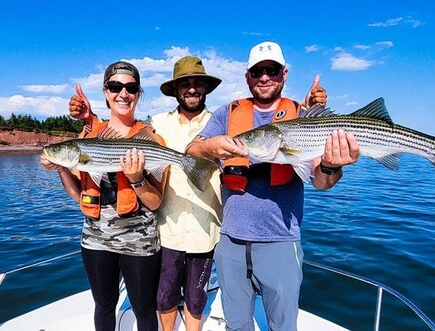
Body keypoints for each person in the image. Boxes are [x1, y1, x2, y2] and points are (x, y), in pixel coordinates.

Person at [68, 54, 327, 331]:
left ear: (206, 88)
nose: (191, 88)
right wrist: (90, 118)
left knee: (195, 301)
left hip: (207, 231)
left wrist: (310, 113)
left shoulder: (218, 118)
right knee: (163, 300)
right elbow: (115, 135)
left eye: (198, 83)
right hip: (167, 230)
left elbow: (292, 133)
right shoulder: (161, 122)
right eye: (184, 84)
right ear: (175, 90)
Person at [185, 41, 360, 331]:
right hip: (230, 242)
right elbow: (192, 151)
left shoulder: (303, 115)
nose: (264, 77)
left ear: (284, 73)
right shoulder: (227, 113)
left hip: (281, 241)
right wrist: (211, 146)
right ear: (247, 77)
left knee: (282, 326)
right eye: (257, 71)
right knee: (236, 325)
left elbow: (322, 181)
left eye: (272, 70)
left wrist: (331, 165)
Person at [42, 61, 167, 331]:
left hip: (140, 241)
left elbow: (156, 202)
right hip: (96, 241)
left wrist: (136, 179)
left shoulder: (152, 141)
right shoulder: (89, 135)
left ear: (138, 93)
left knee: (144, 309)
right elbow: (78, 196)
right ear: (105, 91)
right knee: (103, 306)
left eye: (131, 88)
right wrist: (61, 166)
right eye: (115, 86)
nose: (123, 93)